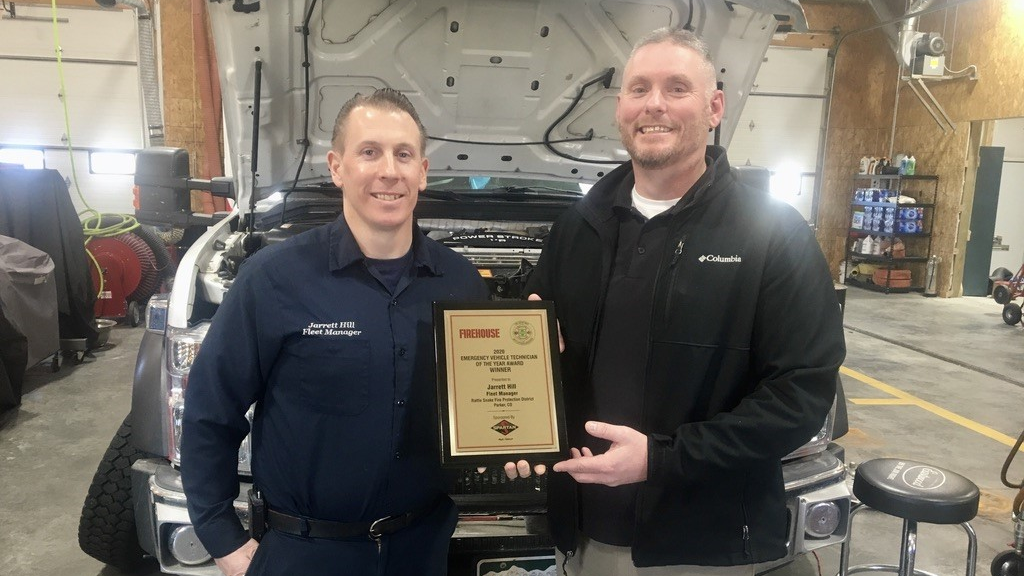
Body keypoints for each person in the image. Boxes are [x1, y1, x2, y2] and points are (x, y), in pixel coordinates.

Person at [514, 28, 846, 575]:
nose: (655, 105)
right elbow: (541, 364)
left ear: (714, 107)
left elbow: (801, 395)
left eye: (677, 88)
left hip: (708, 545)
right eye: (639, 88)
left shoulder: (772, 234)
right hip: (586, 537)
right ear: (621, 107)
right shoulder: (575, 230)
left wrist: (663, 460)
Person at [180, 88, 489, 576]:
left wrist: (517, 443)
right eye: (369, 152)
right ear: (337, 167)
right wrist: (222, 537)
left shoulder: (462, 283)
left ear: (422, 172)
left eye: (403, 154)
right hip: (304, 554)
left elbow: (484, 402)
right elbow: (209, 409)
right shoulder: (272, 278)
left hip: (421, 548)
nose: (389, 170)